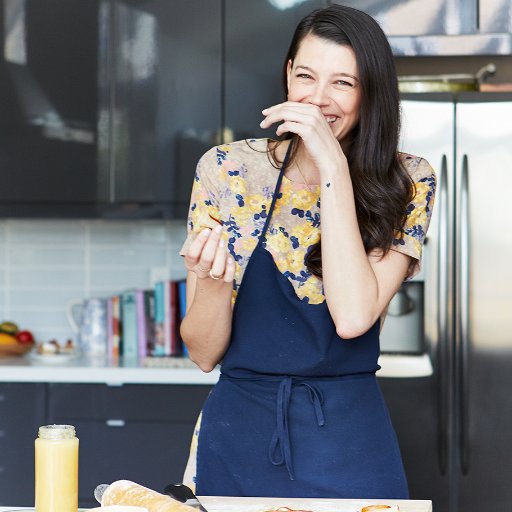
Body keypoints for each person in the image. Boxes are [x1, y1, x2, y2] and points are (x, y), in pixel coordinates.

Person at [179, 4, 436, 499]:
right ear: (287, 77)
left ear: (370, 93)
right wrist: (211, 279)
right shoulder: (228, 170)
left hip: (349, 441)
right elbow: (203, 352)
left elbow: (353, 317)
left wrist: (331, 165)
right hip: (238, 438)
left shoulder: (408, 180)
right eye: (306, 77)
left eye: (343, 82)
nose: (318, 100)